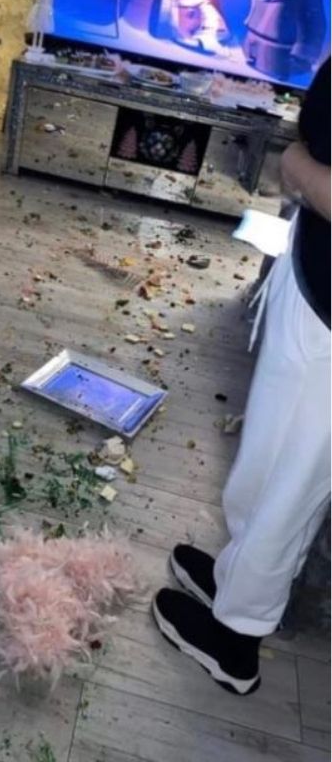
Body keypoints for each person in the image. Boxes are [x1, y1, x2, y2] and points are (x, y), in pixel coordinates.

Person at [151, 56, 330, 695]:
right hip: (316, 284)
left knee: (291, 484)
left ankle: (237, 640)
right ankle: (235, 581)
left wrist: (299, 169)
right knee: (267, 459)